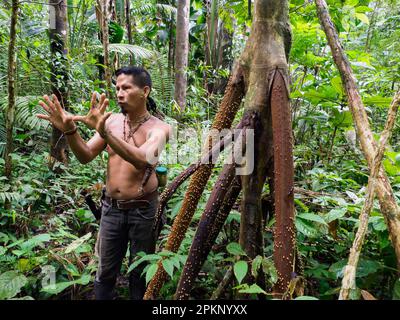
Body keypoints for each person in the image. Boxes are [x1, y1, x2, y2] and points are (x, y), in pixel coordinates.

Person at [37, 66, 171, 300]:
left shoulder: (159, 128)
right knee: (105, 273)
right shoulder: (111, 122)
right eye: (117, 88)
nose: (119, 93)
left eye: (126, 87)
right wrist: (71, 130)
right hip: (111, 210)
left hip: (143, 211)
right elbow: (86, 155)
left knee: (139, 273)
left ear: (145, 91)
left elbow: (142, 159)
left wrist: (107, 134)